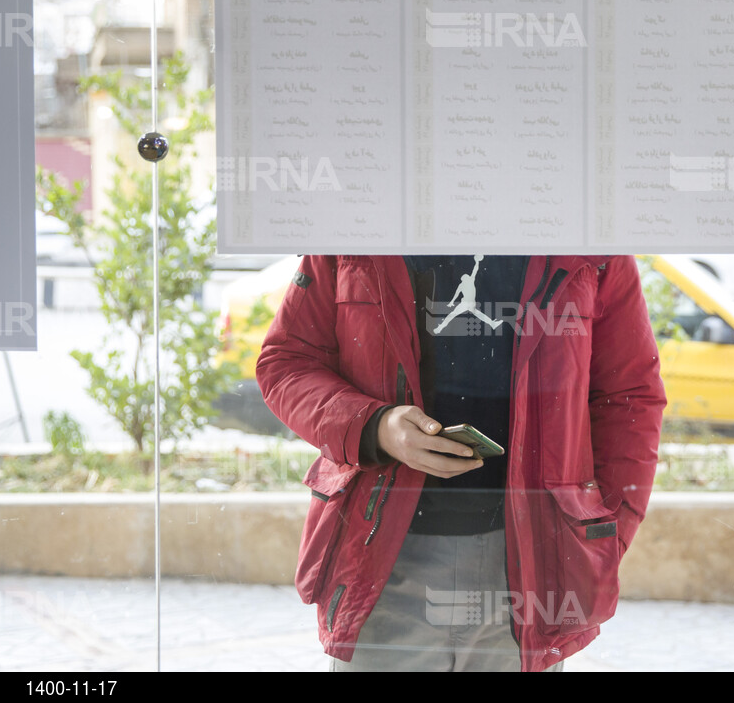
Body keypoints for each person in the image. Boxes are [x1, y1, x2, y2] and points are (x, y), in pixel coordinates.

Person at [256, 253, 666, 672]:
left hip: (533, 566)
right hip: (380, 557)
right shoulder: (365, 220)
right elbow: (286, 363)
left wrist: (604, 532)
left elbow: (630, 396)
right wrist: (375, 427)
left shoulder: (586, 242)